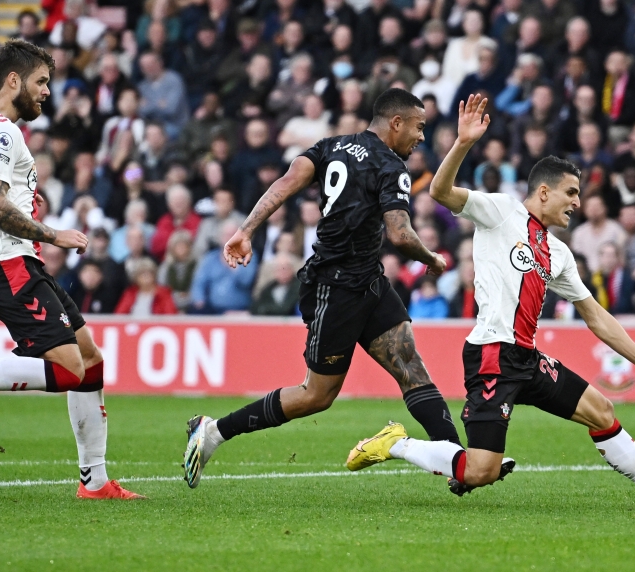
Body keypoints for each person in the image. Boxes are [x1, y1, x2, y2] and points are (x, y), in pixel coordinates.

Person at [346, 95, 635, 508]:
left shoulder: (558, 253)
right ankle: (396, 443)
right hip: (493, 355)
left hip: (526, 358)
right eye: (571, 193)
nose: (577, 202)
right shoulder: (502, 211)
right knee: (480, 471)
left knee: (601, 410)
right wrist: (464, 142)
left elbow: (595, 316)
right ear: (544, 192)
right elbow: (439, 191)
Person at [183, 88, 468, 493]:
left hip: (367, 279)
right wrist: (432, 258)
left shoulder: (331, 146)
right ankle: (211, 432)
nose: (421, 137)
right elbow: (400, 234)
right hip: (335, 288)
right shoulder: (391, 166)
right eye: (419, 127)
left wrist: (246, 230)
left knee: (410, 366)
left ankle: (458, 461)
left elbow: (287, 181)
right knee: (316, 396)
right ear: (397, 123)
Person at [0, 40, 143, 500]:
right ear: (13, 80)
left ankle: (95, 482)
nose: (46, 93)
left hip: (16, 261)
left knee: (90, 360)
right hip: (7, 263)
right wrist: (52, 233)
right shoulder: (0, 131)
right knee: (69, 368)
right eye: (41, 82)